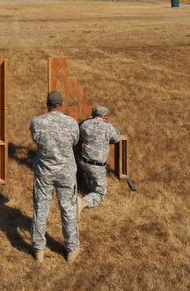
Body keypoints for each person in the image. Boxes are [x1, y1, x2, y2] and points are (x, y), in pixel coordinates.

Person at [29, 91, 81, 263]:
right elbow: (74, 141)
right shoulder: (72, 123)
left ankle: (38, 250)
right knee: (68, 210)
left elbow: (35, 138)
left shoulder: (37, 122)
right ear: (62, 104)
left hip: (44, 172)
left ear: (47, 104)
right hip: (66, 173)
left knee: (40, 210)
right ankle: (71, 249)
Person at [77, 106, 122, 211]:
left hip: (83, 161)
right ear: (105, 117)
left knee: (92, 174)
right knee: (100, 193)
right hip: (97, 165)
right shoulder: (108, 127)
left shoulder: (85, 124)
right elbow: (116, 138)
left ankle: (87, 187)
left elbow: (79, 135)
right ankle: (82, 202)